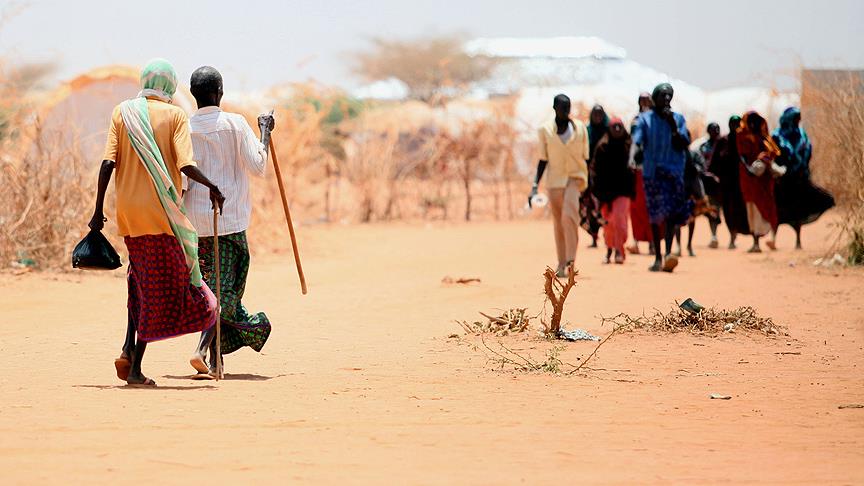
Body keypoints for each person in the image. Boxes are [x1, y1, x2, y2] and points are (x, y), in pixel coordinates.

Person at [88, 59, 224, 386]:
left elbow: (108, 163)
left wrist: (97, 212)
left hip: (129, 216)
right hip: (161, 216)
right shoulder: (175, 115)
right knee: (162, 289)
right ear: (170, 85)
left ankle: (127, 350)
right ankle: (134, 369)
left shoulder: (123, 112)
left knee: (139, 280)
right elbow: (186, 165)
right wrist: (213, 187)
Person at [185, 66, 276, 376]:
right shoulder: (236, 124)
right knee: (226, 290)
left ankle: (215, 358)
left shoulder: (184, 127)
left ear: (194, 94)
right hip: (232, 220)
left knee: (210, 287)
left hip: (196, 222)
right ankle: (203, 349)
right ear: (220, 92)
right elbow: (258, 165)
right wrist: (265, 131)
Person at [629, 83, 693, 272]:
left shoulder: (678, 119)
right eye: (662, 96)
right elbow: (637, 139)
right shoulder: (645, 119)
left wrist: (673, 127)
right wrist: (636, 153)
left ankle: (668, 254)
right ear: (655, 98)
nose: (666, 99)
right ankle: (657, 256)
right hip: (653, 173)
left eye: (669, 96)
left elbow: (684, 142)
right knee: (656, 214)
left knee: (672, 214)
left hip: (674, 172)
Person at [529, 94, 590, 277]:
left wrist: (590, 185)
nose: (566, 111)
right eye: (563, 108)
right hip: (554, 182)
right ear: (555, 108)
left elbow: (586, 157)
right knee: (558, 223)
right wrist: (534, 185)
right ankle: (561, 263)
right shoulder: (545, 130)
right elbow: (543, 160)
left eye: (568, 107)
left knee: (569, 217)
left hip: (574, 178)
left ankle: (571, 261)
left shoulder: (580, 128)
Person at [772, 107, 835, 249]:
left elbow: (807, 153)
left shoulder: (802, 135)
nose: (797, 121)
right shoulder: (777, 136)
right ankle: (773, 240)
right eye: (795, 118)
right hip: (782, 180)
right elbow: (773, 155)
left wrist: (800, 167)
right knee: (777, 209)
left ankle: (798, 241)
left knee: (798, 210)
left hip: (800, 179)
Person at [736, 111, 782, 253]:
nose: (753, 125)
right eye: (751, 122)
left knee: (769, 207)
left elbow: (774, 152)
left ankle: (773, 238)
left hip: (764, 180)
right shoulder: (742, 135)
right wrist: (750, 168)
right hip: (749, 179)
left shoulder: (765, 137)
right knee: (753, 209)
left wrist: (765, 159)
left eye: (756, 122)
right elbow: (742, 155)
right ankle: (755, 242)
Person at [591, 117, 634, 264]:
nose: (617, 130)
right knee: (609, 223)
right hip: (606, 193)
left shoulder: (629, 146)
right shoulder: (602, 147)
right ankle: (609, 249)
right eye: (614, 127)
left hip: (623, 190)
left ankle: (619, 251)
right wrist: (596, 192)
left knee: (620, 219)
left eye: (619, 127)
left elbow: (634, 168)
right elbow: (594, 170)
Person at [711, 116, 750, 248]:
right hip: (726, 184)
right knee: (728, 210)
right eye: (733, 124)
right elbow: (714, 162)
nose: (735, 127)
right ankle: (732, 235)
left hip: (740, 183)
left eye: (737, 124)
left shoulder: (744, 141)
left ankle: (735, 236)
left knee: (739, 210)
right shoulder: (723, 141)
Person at [627, 92, 654, 255]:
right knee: (636, 206)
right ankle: (636, 241)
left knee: (651, 206)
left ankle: (652, 242)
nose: (644, 103)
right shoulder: (635, 120)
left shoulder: (655, 120)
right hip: (637, 169)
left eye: (647, 100)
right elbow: (633, 143)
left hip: (652, 169)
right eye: (642, 101)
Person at [582, 104, 609, 248]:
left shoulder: (608, 131)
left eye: (600, 114)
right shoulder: (587, 132)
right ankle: (594, 237)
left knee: (605, 207)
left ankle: (608, 237)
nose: (597, 117)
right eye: (595, 114)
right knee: (591, 207)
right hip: (590, 175)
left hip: (605, 176)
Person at [698, 122, 723, 248]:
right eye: (713, 130)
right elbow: (702, 164)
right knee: (713, 209)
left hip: (723, 183)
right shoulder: (704, 146)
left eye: (717, 129)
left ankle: (732, 239)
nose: (716, 132)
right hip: (710, 184)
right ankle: (714, 235)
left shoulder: (724, 144)